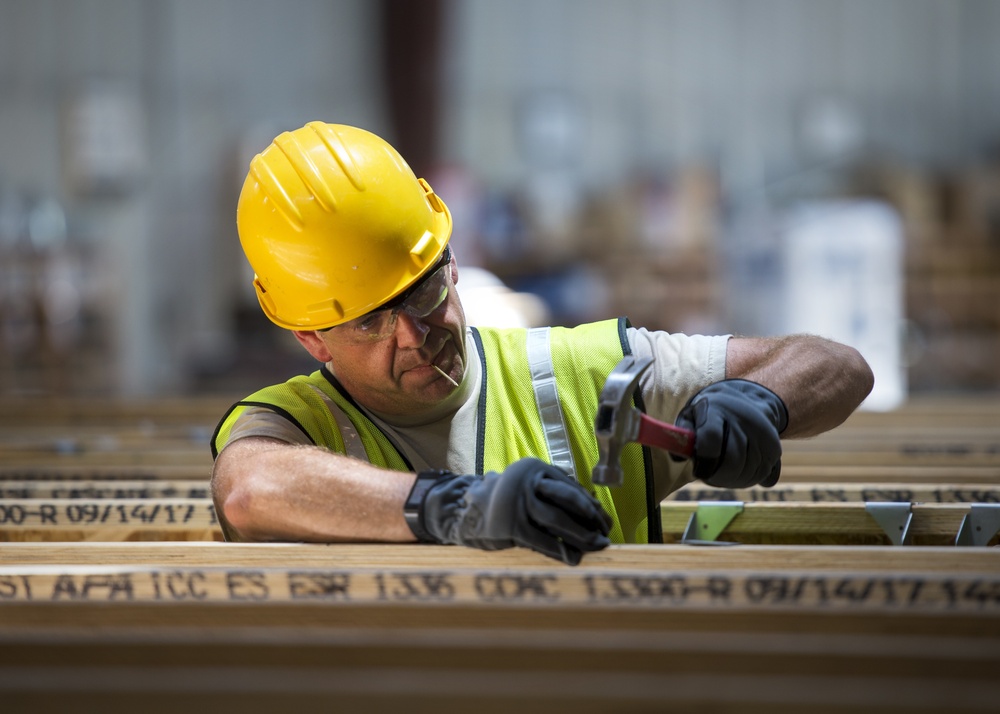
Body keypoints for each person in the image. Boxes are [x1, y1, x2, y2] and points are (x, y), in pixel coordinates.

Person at [211, 121, 874, 565]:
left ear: (451, 262)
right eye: (369, 321)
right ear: (311, 338)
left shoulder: (574, 372)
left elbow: (839, 365)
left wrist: (758, 399)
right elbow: (249, 489)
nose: (416, 334)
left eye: (422, 291)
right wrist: (457, 507)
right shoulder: (294, 424)